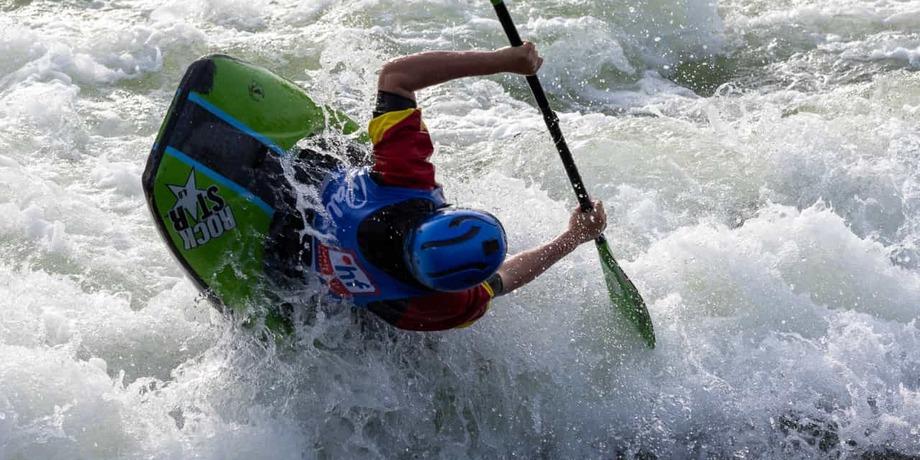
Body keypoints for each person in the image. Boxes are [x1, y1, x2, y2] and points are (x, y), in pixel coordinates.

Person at [308, 43, 608, 331]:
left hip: (310, 197)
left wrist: (504, 61)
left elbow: (396, 76)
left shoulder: (405, 179)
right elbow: (508, 275)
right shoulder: (450, 305)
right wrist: (574, 236)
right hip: (358, 297)